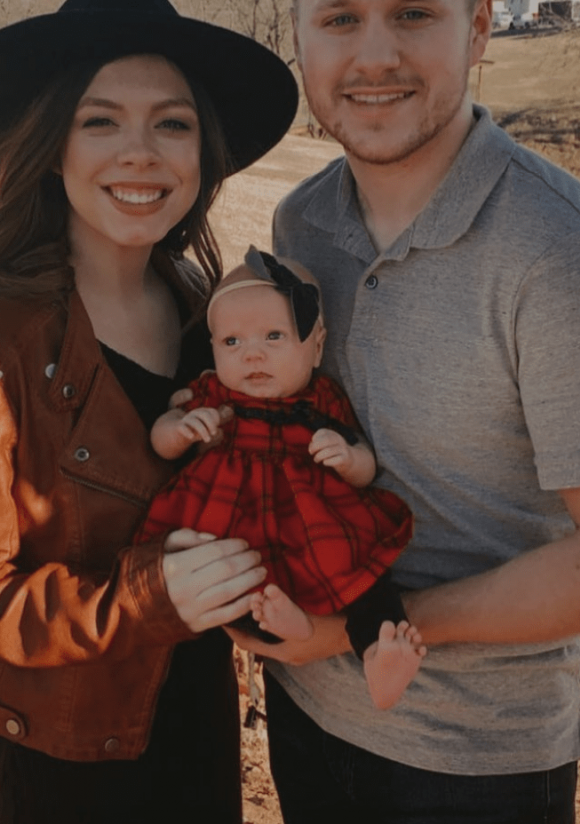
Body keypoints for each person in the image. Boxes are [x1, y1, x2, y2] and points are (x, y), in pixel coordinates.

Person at [229, 0, 580, 823]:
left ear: (477, 29)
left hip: (474, 763)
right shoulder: (299, 227)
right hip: (304, 711)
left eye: (413, 12)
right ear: (299, 36)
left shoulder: (566, 254)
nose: (374, 54)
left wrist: (365, 628)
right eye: (339, 17)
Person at [0, 0, 299, 824]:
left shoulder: (206, 312)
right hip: (63, 759)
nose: (140, 153)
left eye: (172, 123)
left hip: (195, 722)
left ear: (204, 151)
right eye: (100, 120)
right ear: (53, 144)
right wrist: (140, 603)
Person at [134, 246, 422, 709]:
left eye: (274, 336)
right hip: (234, 513)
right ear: (213, 349)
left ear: (317, 344)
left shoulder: (321, 398)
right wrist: (179, 430)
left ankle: (380, 650)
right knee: (226, 580)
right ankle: (282, 627)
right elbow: (160, 439)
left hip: (309, 514)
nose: (252, 356)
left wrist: (347, 458)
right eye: (232, 342)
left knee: (360, 570)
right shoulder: (212, 391)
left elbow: (365, 464)